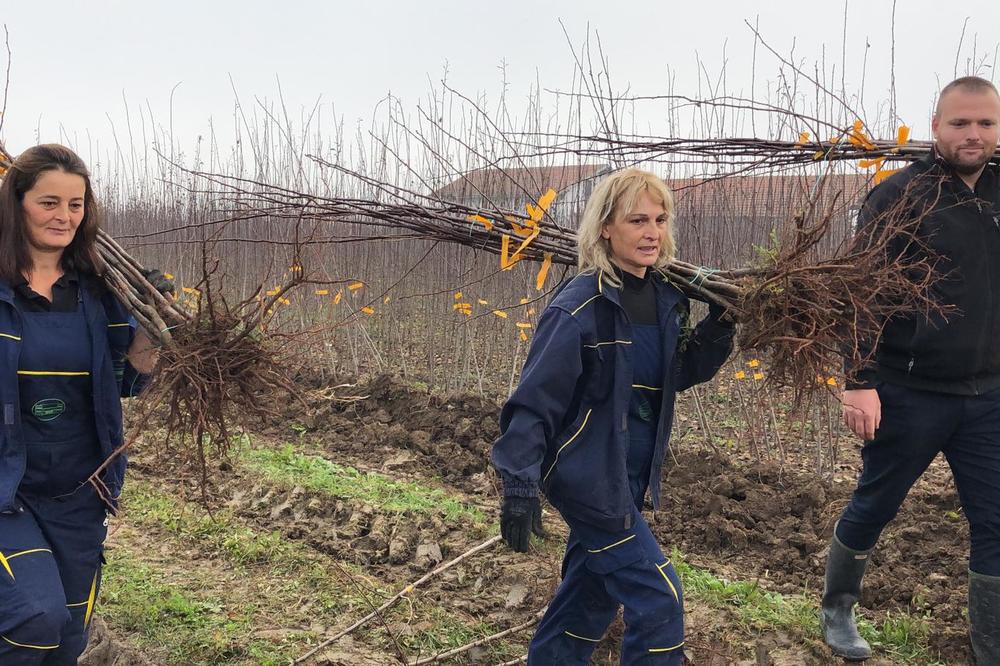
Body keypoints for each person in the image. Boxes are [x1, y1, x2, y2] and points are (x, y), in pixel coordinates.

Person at [492, 168, 734, 664]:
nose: (652, 233)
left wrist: (721, 325)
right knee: (658, 597)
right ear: (605, 227)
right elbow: (536, 400)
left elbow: (674, 373)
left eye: (660, 220)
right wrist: (518, 487)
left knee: (590, 596)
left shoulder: (668, 297)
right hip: (589, 478)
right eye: (637, 220)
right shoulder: (579, 308)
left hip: (630, 473)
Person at [825, 76, 1000, 663]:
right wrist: (859, 381)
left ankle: (990, 645)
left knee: (995, 522)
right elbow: (859, 296)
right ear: (936, 127)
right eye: (960, 123)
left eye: (986, 123)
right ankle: (838, 609)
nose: (973, 135)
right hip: (909, 390)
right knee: (877, 502)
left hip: (989, 395)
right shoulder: (897, 197)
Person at [0, 144, 170, 664]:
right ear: (17, 203)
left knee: (67, 638)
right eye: (49, 202)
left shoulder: (100, 291)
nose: (64, 216)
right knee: (33, 618)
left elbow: (130, 380)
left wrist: (158, 326)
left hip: (79, 486)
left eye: (75, 205)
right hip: (7, 489)